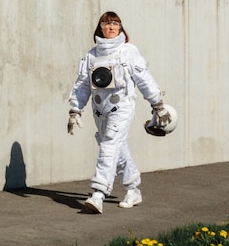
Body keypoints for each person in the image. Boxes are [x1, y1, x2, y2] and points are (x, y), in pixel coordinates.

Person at [66, 11, 171, 214]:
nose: (111, 27)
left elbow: (143, 78)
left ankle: (98, 193)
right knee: (117, 147)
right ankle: (133, 189)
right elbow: (82, 86)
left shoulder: (128, 52)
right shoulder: (92, 55)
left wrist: (157, 104)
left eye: (116, 23)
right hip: (99, 110)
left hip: (121, 106)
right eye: (107, 23)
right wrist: (75, 110)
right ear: (100, 28)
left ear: (121, 28)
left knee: (109, 144)